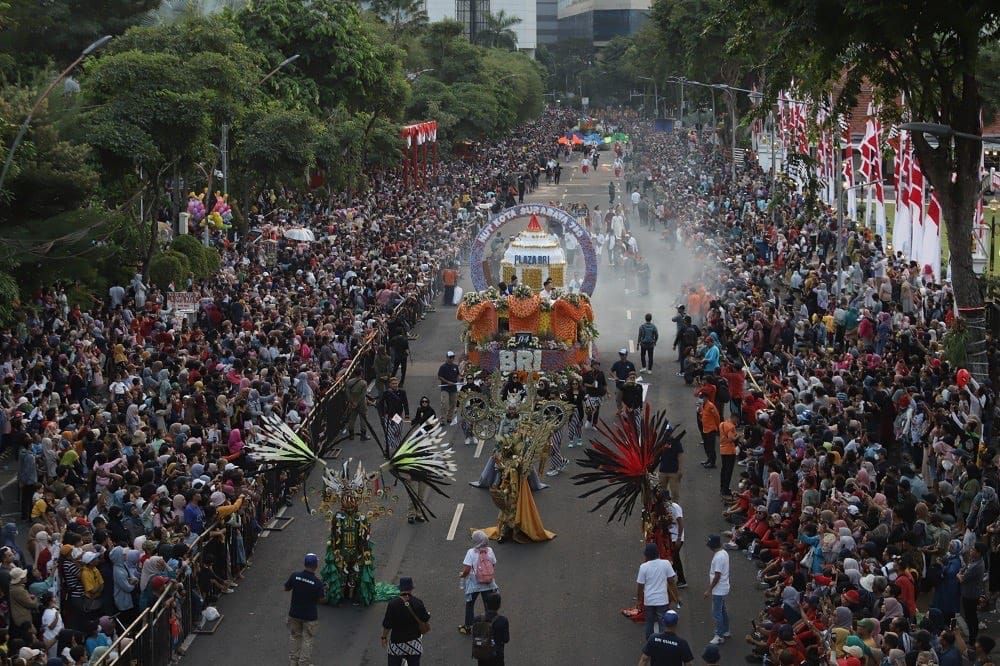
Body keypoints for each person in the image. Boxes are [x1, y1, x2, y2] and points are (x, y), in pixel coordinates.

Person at [285, 553, 325, 666]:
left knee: (295, 637)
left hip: (294, 614)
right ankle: (303, 663)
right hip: (309, 617)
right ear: (316, 566)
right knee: (307, 640)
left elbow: (286, 588)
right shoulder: (317, 583)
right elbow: (321, 600)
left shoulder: (295, 576)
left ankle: (293, 661)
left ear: (305, 564)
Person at [381, 576, 431, 666]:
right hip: (414, 642)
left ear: (400, 589)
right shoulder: (418, 602)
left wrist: (384, 637)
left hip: (396, 643)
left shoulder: (393, 604)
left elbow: (387, 625)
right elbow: (425, 619)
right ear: (411, 588)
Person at [459, 530, 499, 634]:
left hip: (474, 584)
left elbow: (467, 569)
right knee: (488, 606)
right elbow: (493, 564)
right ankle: (490, 626)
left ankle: (468, 627)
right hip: (488, 584)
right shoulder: (489, 550)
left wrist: (462, 575)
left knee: (470, 605)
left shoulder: (471, 552)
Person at [637, 542, 677, 639]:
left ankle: (650, 644)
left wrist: (639, 600)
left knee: (649, 623)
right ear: (657, 553)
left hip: (649, 600)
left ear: (646, 555)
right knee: (662, 623)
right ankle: (663, 643)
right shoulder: (666, 564)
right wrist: (676, 596)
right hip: (662, 600)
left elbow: (640, 585)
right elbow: (671, 581)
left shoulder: (643, 567)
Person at [703, 535, 729, 645]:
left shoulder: (718, 557)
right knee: (722, 610)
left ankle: (719, 635)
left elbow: (717, 576)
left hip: (719, 589)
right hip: (723, 587)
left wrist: (709, 590)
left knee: (717, 613)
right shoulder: (724, 553)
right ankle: (726, 630)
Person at [472, 592, 510, 666]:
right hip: (497, 655)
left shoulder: (477, 619)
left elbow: (475, 635)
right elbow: (506, 639)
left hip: (482, 653)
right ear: (499, 605)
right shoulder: (503, 620)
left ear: (486, 604)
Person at [696, 385, 720, 469]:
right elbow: (703, 415)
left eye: (702, 397)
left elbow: (717, 417)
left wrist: (717, 427)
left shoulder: (711, 406)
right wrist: (700, 411)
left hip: (711, 429)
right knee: (706, 446)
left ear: (706, 398)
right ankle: (709, 459)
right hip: (705, 429)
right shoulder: (704, 406)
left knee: (711, 447)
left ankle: (712, 462)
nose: (701, 399)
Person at [718, 411, 739, 497]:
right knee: (728, 471)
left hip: (722, 449)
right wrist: (738, 436)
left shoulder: (722, 424)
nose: (737, 421)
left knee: (723, 470)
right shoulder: (731, 427)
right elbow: (731, 439)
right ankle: (725, 490)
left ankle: (722, 487)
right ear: (734, 417)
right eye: (737, 419)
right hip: (730, 451)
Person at [438, 351, 461, 426]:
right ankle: (442, 419)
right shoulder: (443, 367)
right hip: (445, 388)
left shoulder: (455, 366)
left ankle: (449, 417)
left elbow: (457, 375)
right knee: (444, 403)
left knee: (453, 403)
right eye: (450, 357)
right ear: (447, 357)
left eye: (453, 357)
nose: (452, 359)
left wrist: (459, 379)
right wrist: (447, 382)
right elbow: (439, 377)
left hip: (453, 388)